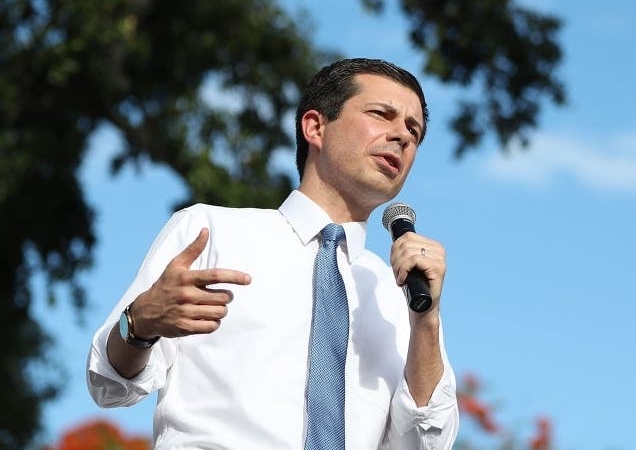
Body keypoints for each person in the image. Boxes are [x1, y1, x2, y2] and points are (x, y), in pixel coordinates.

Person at [87, 58, 459, 449]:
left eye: (413, 130)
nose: (402, 135)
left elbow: (425, 443)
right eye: (382, 115)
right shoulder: (210, 231)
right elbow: (109, 384)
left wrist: (426, 320)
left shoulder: (399, 291)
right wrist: (140, 324)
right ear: (315, 127)